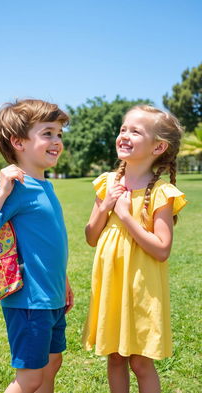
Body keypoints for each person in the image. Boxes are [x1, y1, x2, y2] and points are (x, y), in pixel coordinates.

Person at [0, 99, 74, 393]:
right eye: (47, 133)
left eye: (60, 134)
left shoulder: (44, 186)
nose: (57, 141)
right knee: (30, 378)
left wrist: (63, 282)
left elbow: (48, 246)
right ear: (18, 142)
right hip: (29, 302)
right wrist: (0, 195)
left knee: (51, 364)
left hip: (51, 297)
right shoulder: (16, 187)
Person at [83, 105, 187, 393]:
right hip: (112, 281)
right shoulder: (107, 183)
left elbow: (162, 249)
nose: (124, 135)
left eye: (135, 131)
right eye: (123, 129)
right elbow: (91, 236)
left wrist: (126, 216)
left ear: (158, 147)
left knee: (140, 361)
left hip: (142, 286)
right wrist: (105, 206)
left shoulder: (163, 193)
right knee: (115, 356)